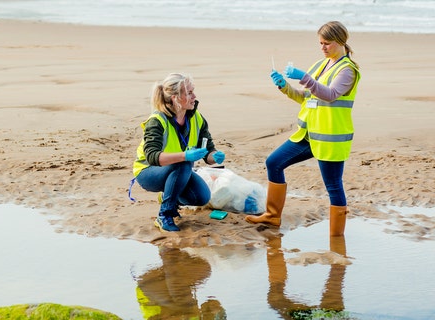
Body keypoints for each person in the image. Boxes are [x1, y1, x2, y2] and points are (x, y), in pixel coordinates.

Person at [245, 21, 361, 236]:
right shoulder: (320, 64)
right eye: (320, 43)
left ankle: (337, 238)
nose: (323, 47)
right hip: (308, 134)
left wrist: (304, 78)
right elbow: (305, 97)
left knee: (333, 186)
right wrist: (283, 86)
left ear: (341, 41)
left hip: (330, 138)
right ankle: (272, 217)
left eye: (327, 43)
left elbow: (330, 94)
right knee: (274, 162)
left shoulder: (348, 70)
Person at [133, 73, 226, 232]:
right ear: (175, 98)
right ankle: (164, 215)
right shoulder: (157, 121)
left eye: (193, 91)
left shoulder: (197, 118)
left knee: (202, 197)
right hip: (148, 172)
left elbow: (208, 152)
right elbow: (153, 157)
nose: (194, 96)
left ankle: (168, 197)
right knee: (183, 164)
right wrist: (185, 156)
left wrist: (214, 156)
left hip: (178, 170)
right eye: (189, 93)